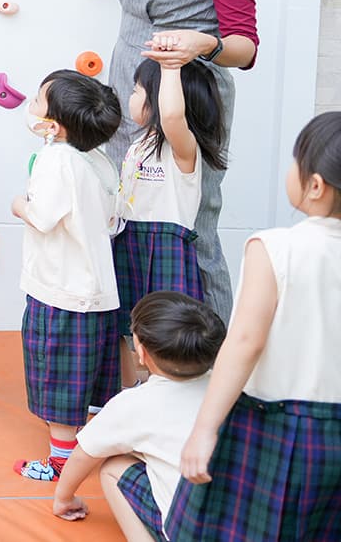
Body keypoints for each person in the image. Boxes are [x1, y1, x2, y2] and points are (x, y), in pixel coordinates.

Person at [81, 0, 260, 321]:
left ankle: (213, 349)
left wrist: (205, 43)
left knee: (188, 226)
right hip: (130, 85)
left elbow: (244, 48)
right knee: (129, 217)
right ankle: (143, 345)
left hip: (187, 94)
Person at [170, 112, 341, 540]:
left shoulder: (275, 247)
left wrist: (204, 428)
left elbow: (245, 341)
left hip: (277, 425)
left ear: (315, 185)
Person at [11, 70, 125, 481]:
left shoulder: (55, 159)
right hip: (97, 290)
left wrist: (19, 205)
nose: (30, 106)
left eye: (37, 101)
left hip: (60, 292)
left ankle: (61, 462)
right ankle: (95, 445)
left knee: (57, 376)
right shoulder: (98, 159)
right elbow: (113, 220)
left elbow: (42, 217)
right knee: (87, 374)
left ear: (53, 126)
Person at [50, 291, 226, 541]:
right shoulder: (233, 390)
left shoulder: (133, 404)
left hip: (187, 531)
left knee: (113, 466)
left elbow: (83, 455)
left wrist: (63, 499)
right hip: (246, 526)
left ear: (141, 353)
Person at [113, 59, 227, 384]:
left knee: (168, 327)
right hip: (129, 240)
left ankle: (168, 388)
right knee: (119, 322)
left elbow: (173, 117)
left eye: (137, 90)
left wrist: (171, 67)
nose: (131, 97)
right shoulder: (140, 143)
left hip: (164, 245)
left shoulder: (182, 147)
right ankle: (129, 388)